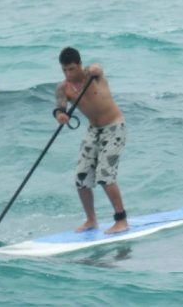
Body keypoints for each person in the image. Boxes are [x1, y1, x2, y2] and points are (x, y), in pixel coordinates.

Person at [54, 47, 128, 234]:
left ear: (79, 65)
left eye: (71, 69)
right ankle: (91, 220)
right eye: (64, 70)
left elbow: (97, 68)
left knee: (105, 175)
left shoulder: (92, 76)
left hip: (114, 127)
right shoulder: (64, 88)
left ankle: (121, 220)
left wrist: (94, 68)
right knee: (81, 177)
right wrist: (61, 116)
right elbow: (60, 108)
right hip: (93, 131)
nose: (68, 74)